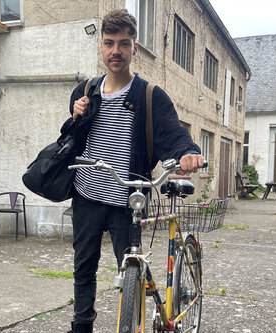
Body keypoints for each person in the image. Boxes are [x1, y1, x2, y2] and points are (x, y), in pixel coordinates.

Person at [62, 9, 204, 333]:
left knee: (130, 273)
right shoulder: (85, 91)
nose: (116, 51)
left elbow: (174, 133)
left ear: (134, 48)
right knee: (83, 268)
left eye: (124, 44)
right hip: (86, 195)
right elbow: (72, 140)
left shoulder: (149, 95)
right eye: (110, 43)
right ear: (101, 46)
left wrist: (189, 153)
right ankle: (81, 327)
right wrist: (75, 116)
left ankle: (131, 324)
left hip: (127, 201)